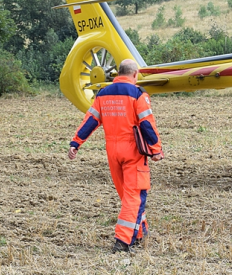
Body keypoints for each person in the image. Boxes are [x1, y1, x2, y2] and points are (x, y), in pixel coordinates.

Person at [68, 59, 164, 253]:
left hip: (112, 152)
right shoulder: (138, 94)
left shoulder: (103, 94)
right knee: (133, 196)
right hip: (133, 152)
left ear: (118, 73)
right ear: (135, 74)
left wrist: (76, 143)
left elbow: (91, 120)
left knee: (128, 196)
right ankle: (122, 241)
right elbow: (146, 123)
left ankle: (140, 232)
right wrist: (156, 149)